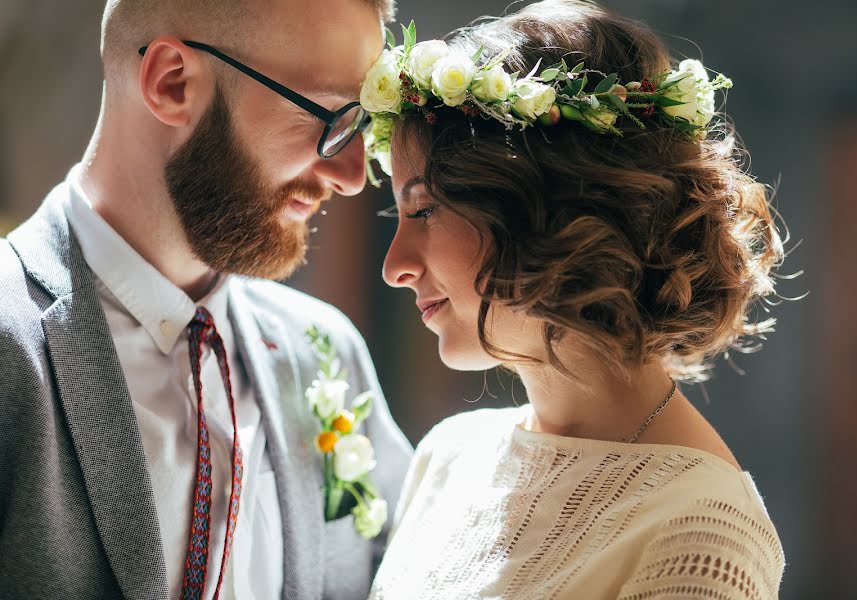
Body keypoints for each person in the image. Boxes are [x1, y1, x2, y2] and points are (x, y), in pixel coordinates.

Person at [362, 1, 786, 597]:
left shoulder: (700, 533)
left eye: (425, 210)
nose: (394, 267)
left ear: (553, 208)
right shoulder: (448, 457)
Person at [0, 0, 411, 598]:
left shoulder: (327, 352)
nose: (351, 173)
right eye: (328, 116)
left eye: (364, 127)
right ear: (173, 82)